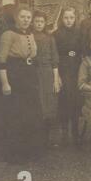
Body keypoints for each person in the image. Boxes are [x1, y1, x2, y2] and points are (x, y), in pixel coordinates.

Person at [0, 6, 44, 163]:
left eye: (28, 17)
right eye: (22, 17)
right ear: (16, 18)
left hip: (29, 77)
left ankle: (31, 151)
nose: (26, 20)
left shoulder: (30, 33)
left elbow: (32, 55)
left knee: (31, 114)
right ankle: (15, 154)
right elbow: (1, 62)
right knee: (17, 115)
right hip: (14, 77)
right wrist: (5, 84)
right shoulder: (8, 34)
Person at [53, 7, 82, 146]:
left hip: (76, 70)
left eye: (71, 17)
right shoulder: (57, 34)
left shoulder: (79, 32)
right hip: (63, 70)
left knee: (75, 102)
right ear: (62, 19)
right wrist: (57, 75)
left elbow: (82, 50)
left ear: (75, 18)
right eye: (66, 18)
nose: (69, 20)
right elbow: (55, 55)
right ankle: (64, 133)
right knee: (64, 102)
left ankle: (75, 133)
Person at [32, 10, 61, 147]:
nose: (39, 24)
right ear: (33, 22)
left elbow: (54, 60)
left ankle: (49, 138)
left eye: (41, 22)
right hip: (33, 72)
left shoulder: (49, 38)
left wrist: (55, 79)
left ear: (45, 24)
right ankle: (36, 139)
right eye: (36, 21)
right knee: (36, 102)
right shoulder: (29, 36)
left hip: (47, 72)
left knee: (49, 103)